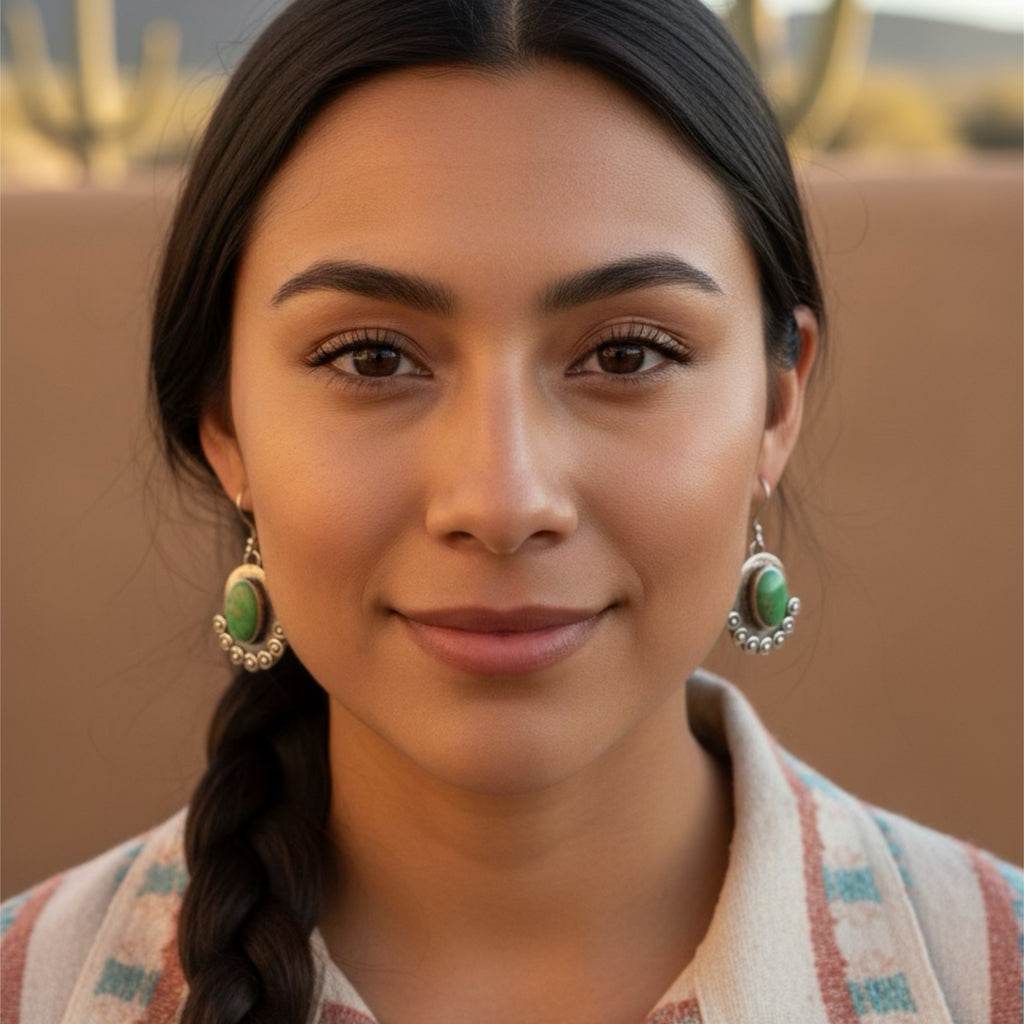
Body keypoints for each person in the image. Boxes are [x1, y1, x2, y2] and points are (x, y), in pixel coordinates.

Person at [2, 0, 1020, 1021]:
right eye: (371, 357)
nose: (500, 499)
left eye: (625, 355)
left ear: (774, 404)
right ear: (226, 425)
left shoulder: (990, 971)